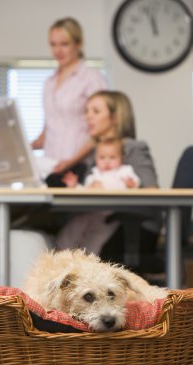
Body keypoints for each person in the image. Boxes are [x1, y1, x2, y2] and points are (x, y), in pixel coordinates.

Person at [56, 90, 163, 269]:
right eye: (87, 111)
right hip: (96, 218)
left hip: (130, 224)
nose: (88, 117)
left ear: (115, 118)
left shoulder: (134, 148)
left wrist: (126, 187)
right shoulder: (93, 154)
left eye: (95, 112)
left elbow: (152, 190)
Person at [31, 17, 108, 184]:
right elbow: (50, 125)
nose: (58, 50)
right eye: (53, 44)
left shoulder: (91, 78)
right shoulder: (49, 82)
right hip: (51, 167)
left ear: (78, 44)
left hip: (80, 166)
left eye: (64, 44)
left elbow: (103, 127)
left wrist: (72, 161)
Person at [56, 138, 141, 254]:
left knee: (95, 239)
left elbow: (135, 184)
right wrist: (74, 186)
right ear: (96, 159)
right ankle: (61, 251)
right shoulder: (95, 174)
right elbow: (85, 191)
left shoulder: (124, 172)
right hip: (90, 212)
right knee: (73, 229)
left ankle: (88, 259)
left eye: (112, 157)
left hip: (110, 216)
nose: (107, 162)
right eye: (102, 158)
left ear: (122, 158)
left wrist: (131, 184)